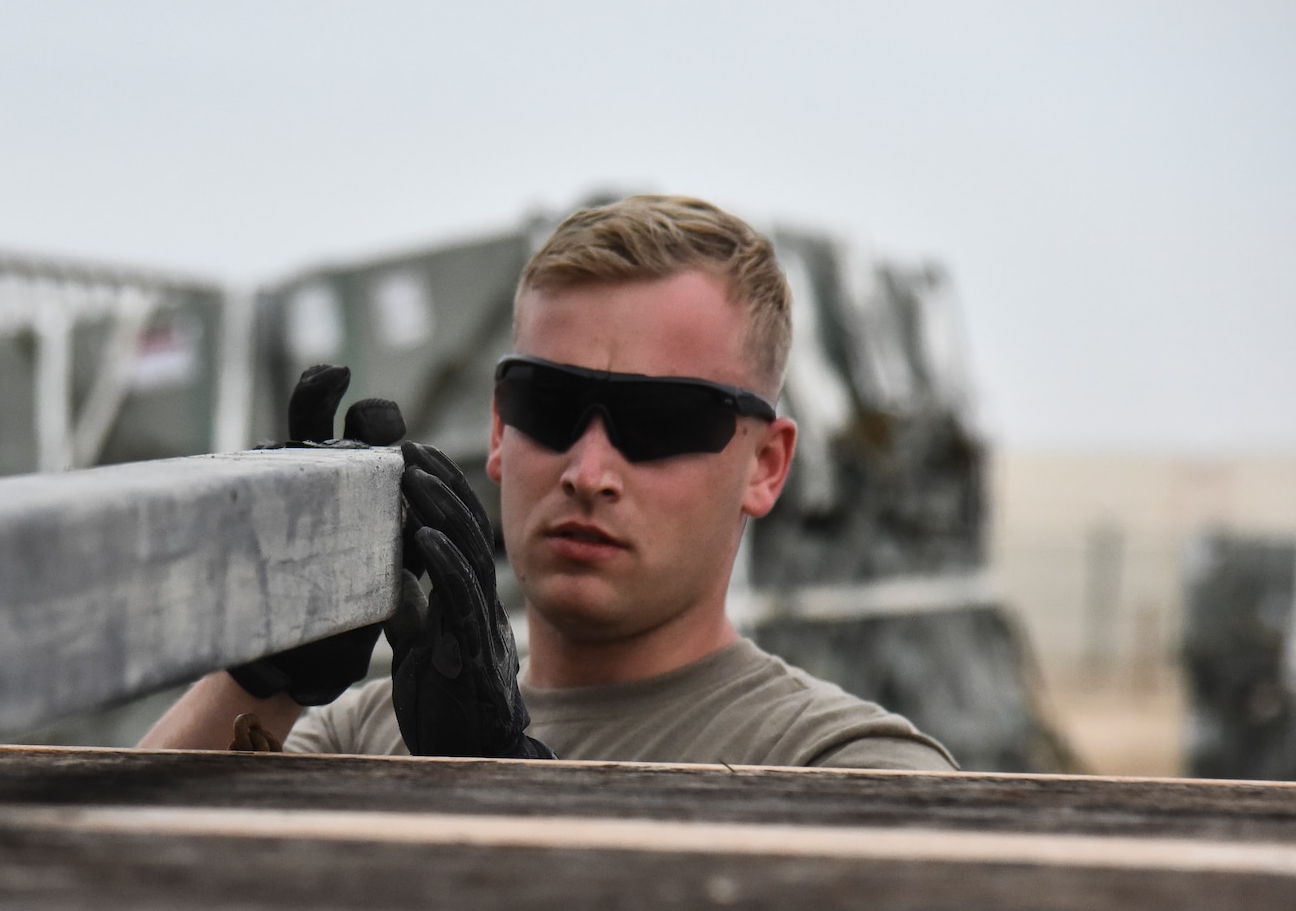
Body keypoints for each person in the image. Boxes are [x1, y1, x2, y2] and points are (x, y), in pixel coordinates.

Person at [141, 194, 955, 770]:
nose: (590, 472)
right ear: (499, 429)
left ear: (767, 464)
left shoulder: (840, 764)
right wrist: (261, 677)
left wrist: (504, 784)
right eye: (549, 405)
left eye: (662, 421)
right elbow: (101, 888)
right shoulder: (366, 730)